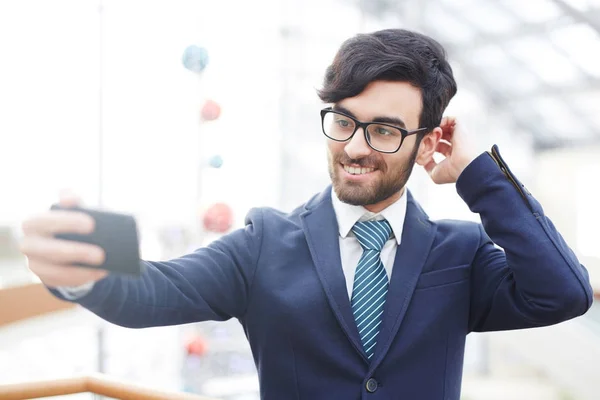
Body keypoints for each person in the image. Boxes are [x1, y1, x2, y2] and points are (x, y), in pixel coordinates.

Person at [19, 29, 593, 400]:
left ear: (426, 144)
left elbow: (564, 292)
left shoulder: (461, 254)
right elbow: (150, 292)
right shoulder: (265, 242)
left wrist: (477, 175)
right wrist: (80, 271)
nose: (356, 147)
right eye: (344, 120)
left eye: (387, 130)